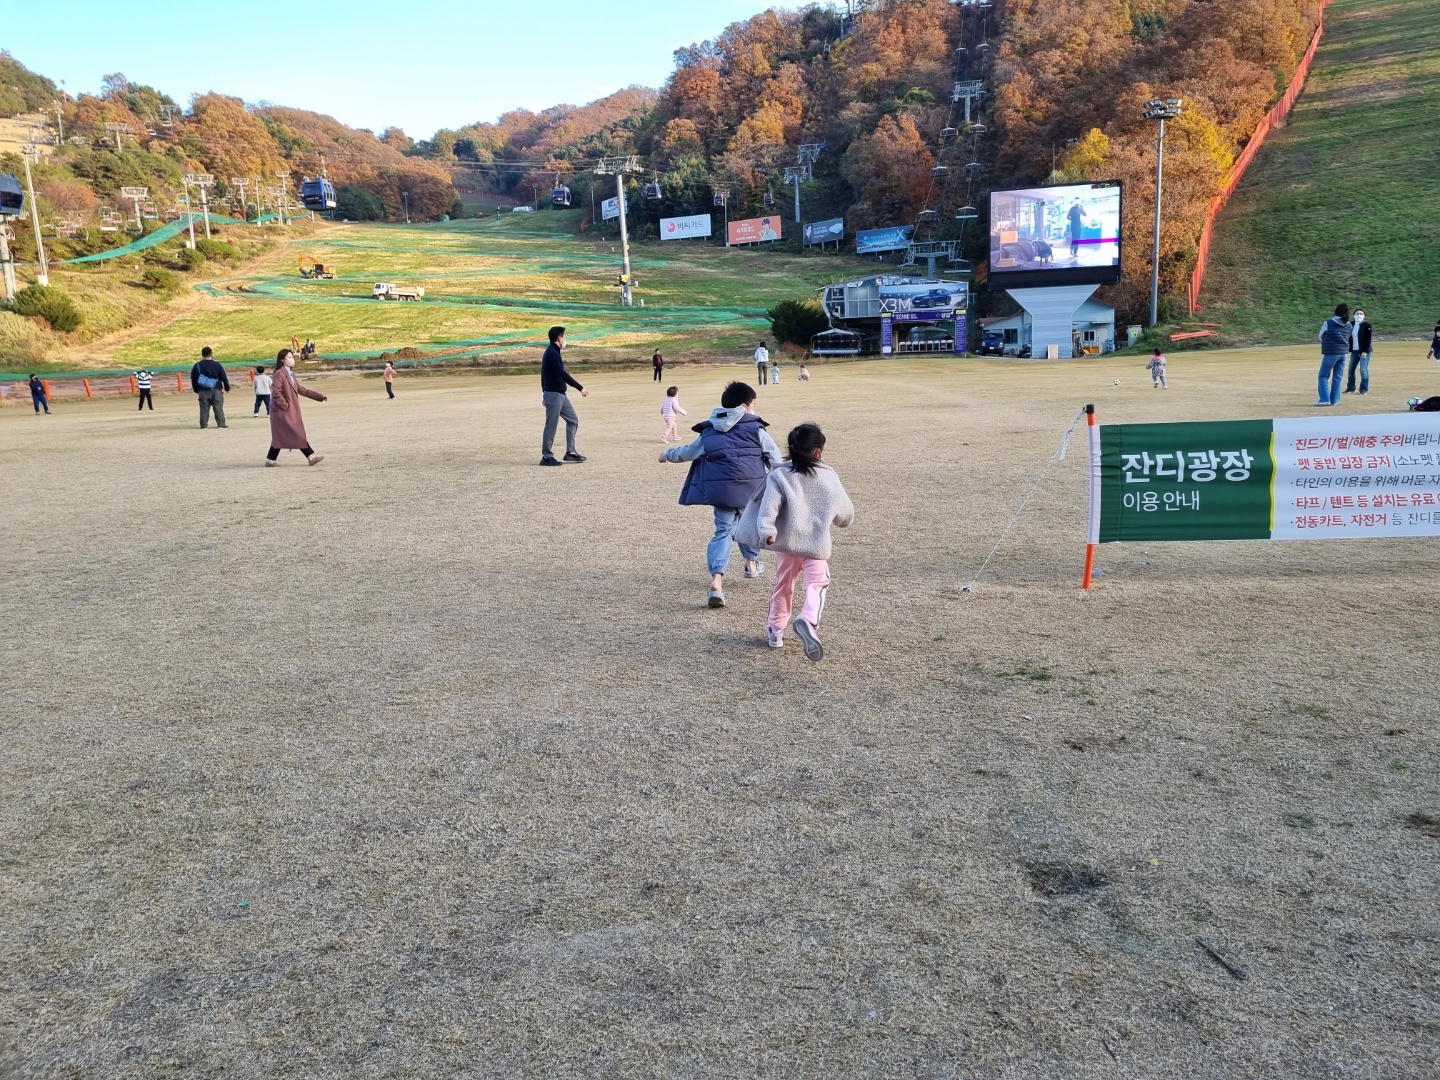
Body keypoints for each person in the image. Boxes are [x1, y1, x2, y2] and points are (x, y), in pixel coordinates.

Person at [658, 380, 780, 608]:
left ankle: (717, 580)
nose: (754, 409)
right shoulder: (757, 430)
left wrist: (667, 454)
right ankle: (751, 564)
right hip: (751, 491)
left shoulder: (710, 431)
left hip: (722, 492)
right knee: (748, 527)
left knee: (723, 531)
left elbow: (688, 452)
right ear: (744, 406)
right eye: (753, 405)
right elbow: (775, 461)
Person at [738, 423, 854, 661]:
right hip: (816, 545)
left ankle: (775, 631)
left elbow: (768, 506)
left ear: (790, 449)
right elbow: (845, 517)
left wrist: (767, 531)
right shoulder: (829, 477)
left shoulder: (780, 475)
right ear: (818, 452)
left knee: (783, 585)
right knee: (817, 584)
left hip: (787, 544)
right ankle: (809, 620)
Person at [266, 348, 326, 466]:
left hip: (288, 410)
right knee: (296, 432)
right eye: (289, 357)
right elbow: (275, 392)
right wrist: (285, 405)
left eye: (292, 357)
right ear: (283, 360)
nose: (292, 359)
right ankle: (311, 456)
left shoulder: (291, 374)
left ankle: (270, 460)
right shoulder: (279, 374)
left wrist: (319, 396)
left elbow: (301, 389)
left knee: (281, 435)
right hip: (281, 411)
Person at [539, 325, 588, 466]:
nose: (566, 338)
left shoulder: (554, 352)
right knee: (551, 425)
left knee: (573, 419)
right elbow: (562, 374)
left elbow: (543, 373)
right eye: (564, 335)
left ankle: (570, 452)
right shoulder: (551, 353)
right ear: (559, 338)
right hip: (554, 394)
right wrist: (580, 387)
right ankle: (546, 456)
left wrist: (544, 391)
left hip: (560, 394)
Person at [1315, 304, 1351, 407]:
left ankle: (1324, 399)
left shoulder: (1328, 323)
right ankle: (1334, 400)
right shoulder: (1349, 325)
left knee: (1323, 376)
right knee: (1337, 377)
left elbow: (1320, 336)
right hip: (1344, 353)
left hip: (1331, 352)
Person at [190, 346, 231, 429]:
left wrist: (196, 389)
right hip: (216, 389)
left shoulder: (197, 365)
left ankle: (203, 425)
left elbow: (193, 378)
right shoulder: (217, 365)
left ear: (202, 354)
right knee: (218, 407)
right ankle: (221, 424)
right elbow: (223, 377)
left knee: (204, 408)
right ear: (211, 354)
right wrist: (227, 387)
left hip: (203, 390)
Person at [1345, 309, 1372, 395]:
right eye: (1357, 313)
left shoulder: (1367, 325)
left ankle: (1364, 389)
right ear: (1354, 315)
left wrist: (1365, 351)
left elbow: (1368, 340)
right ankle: (1351, 387)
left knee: (1363, 369)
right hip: (1355, 350)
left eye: (1361, 314)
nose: (1359, 315)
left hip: (1364, 351)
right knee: (1351, 369)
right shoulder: (1350, 325)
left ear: (1364, 316)